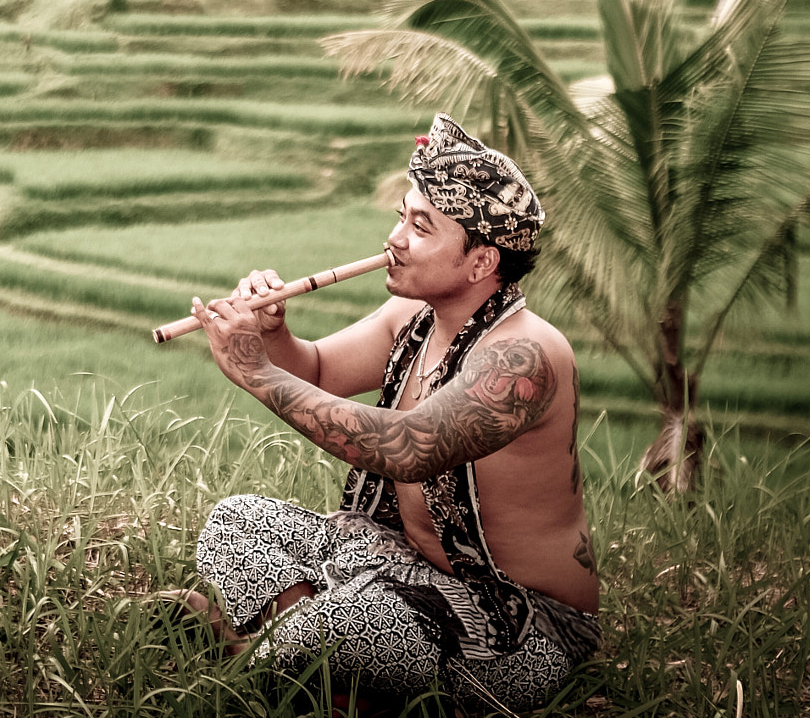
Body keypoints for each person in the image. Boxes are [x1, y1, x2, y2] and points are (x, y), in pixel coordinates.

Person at [179, 114, 598, 713]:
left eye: (420, 227)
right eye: (402, 216)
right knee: (237, 522)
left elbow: (409, 448)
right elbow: (318, 370)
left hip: (524, 620)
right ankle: (327, 675)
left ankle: (284, 659)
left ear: (481, 262)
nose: (394, 238)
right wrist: (274, 335)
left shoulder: (525, 355)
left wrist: (257, 372)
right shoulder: (415, 320)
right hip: (405, 562)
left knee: (349, 624)